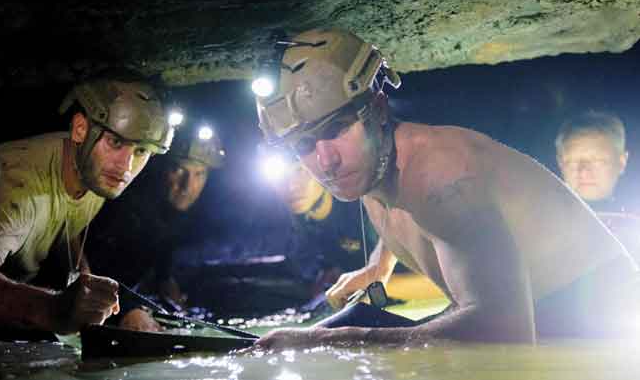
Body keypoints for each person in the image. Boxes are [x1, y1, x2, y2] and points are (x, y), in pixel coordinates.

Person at [250, 28, 639, 348]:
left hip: (599, 328)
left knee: (342, 342)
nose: (325, 160)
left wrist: (323, 341)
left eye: (335, 129)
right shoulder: (372, 166)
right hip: (536, 318)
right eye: (303, 144)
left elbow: (504, 332)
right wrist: (379, 265)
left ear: (379, 110)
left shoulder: (445, 175)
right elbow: (413, 209)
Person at [0, 68, 176, 338]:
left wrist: (90, 285)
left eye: (141, 150)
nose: (126, 167)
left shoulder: (95, 173)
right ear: (81, 129)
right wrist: (53, 309)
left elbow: (67, 225)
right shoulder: (16, 185)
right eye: (115, 141)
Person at [85, 121, 225, 331]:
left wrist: (166, 282)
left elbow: (162, 258)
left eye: (199, 174)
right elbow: (88, 269)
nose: (188, 186)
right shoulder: (125, 205)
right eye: (179, 170)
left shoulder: (178, 211)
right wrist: (130, 310)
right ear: (160, 166)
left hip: (120, 296)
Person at [263, 149, 377, 302]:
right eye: (280, 176)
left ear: (322, 171)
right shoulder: (302, 222)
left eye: (301, 171)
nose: (291, 187)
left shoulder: (362, 204)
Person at [556, 110, 639, 261]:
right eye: (573, 161)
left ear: (621, 162)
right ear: (560, 163)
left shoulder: (634, 225)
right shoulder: (536, 222)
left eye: (598, 161)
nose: (584, 172)